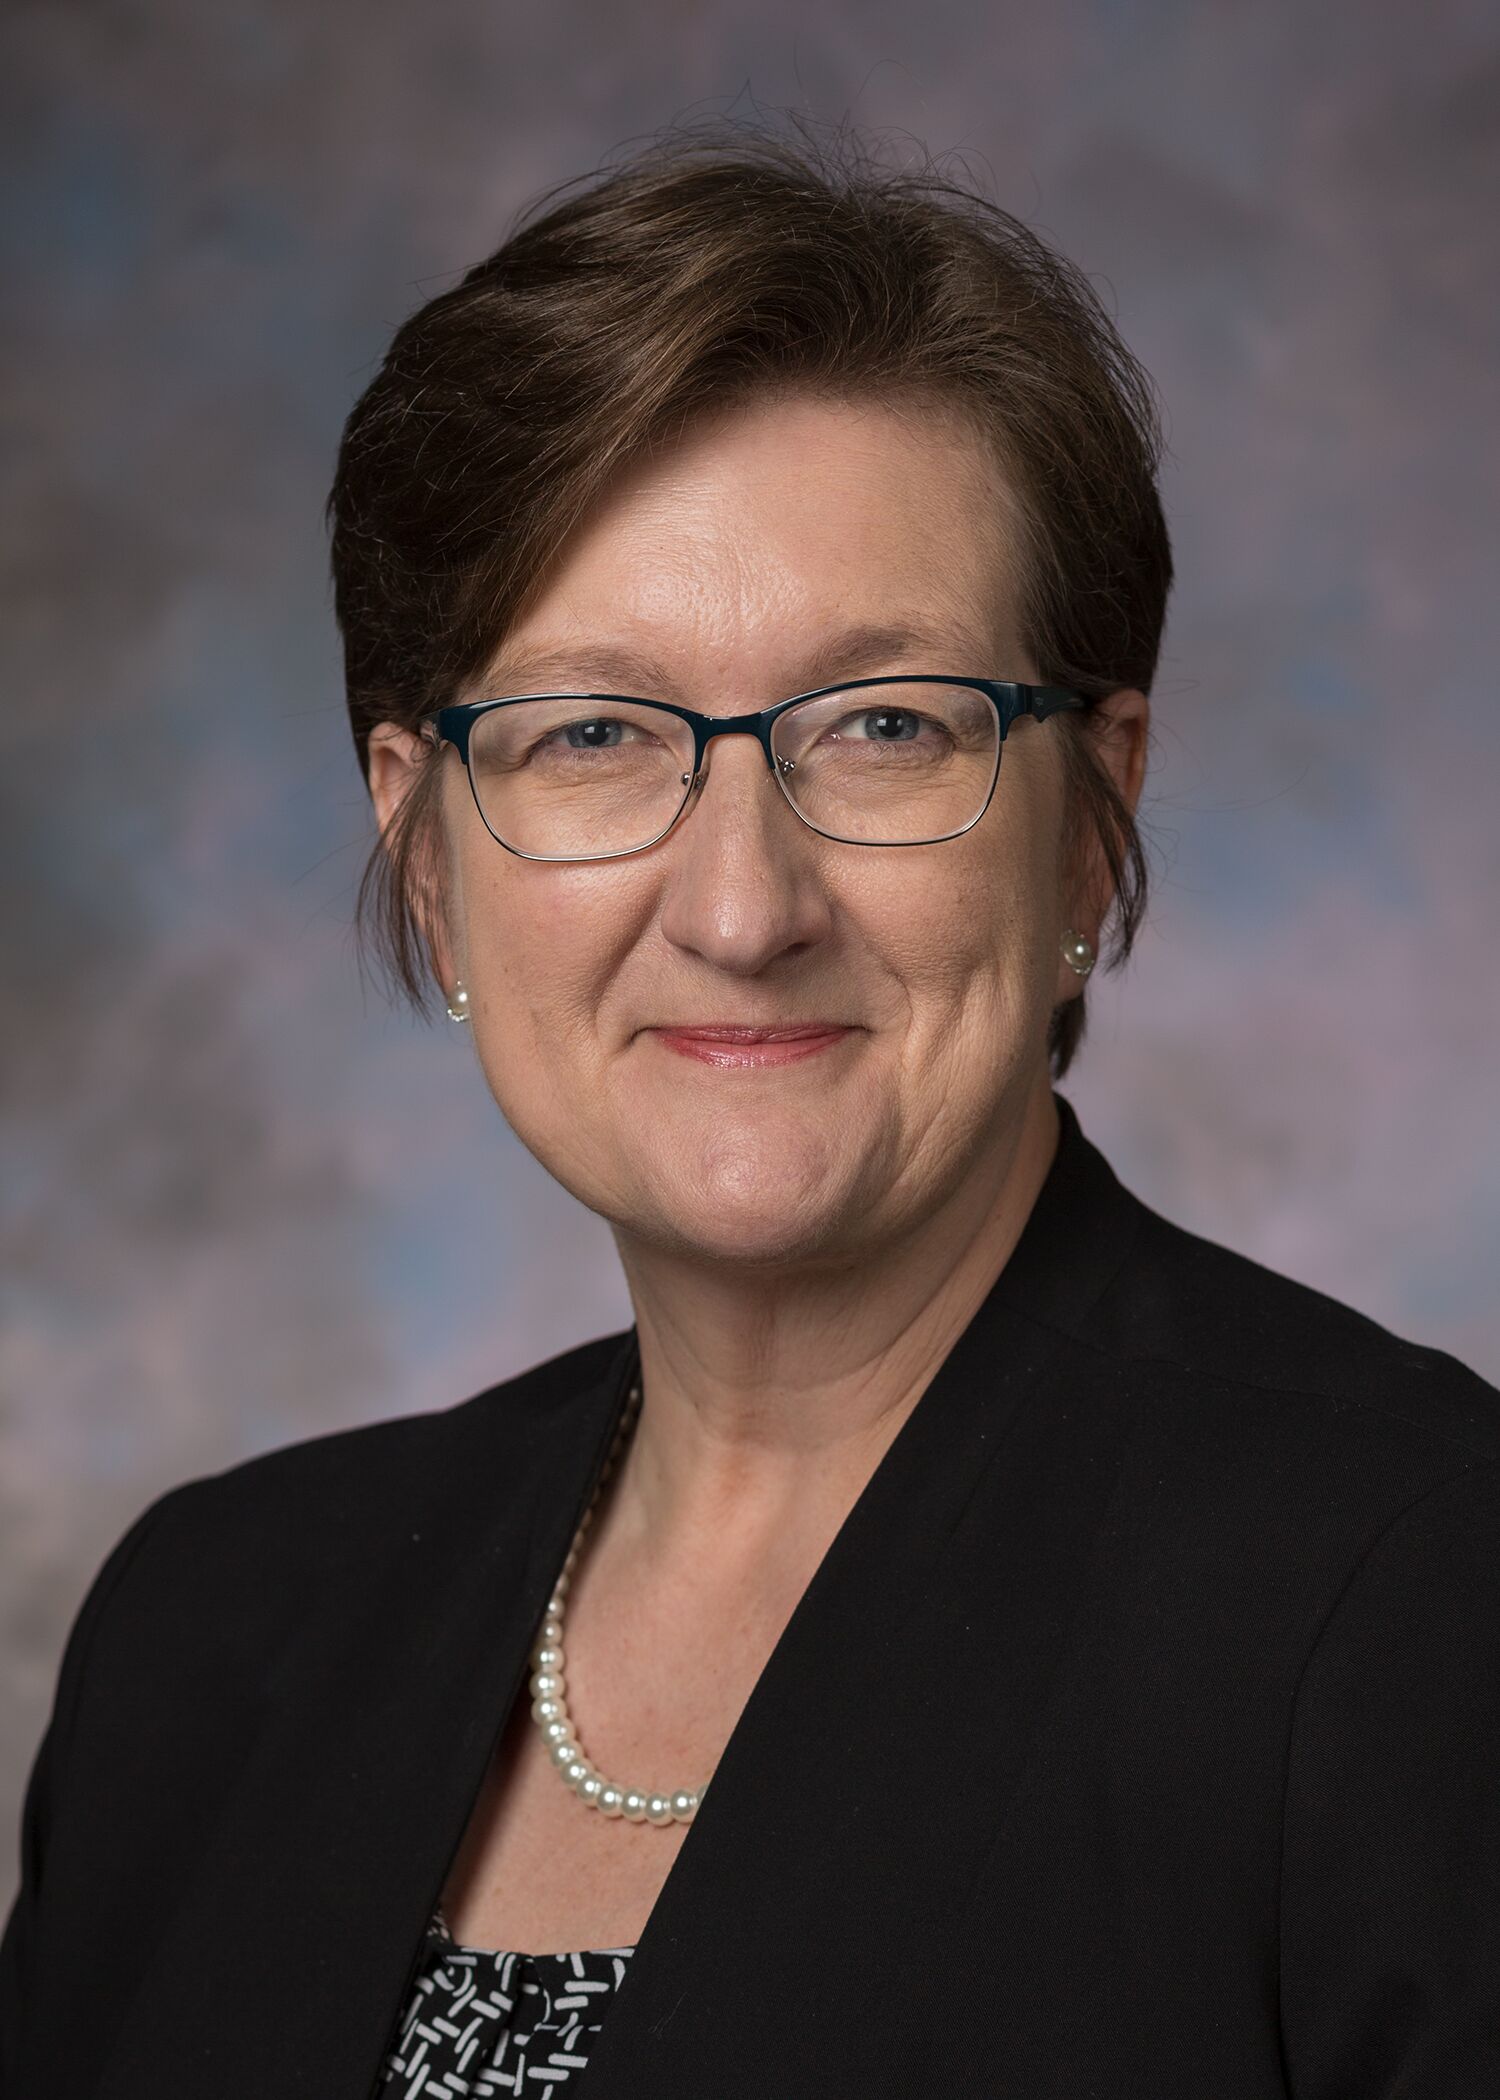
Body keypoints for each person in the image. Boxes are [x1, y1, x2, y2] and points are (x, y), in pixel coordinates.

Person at [3, 120, 1497, 2100]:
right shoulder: (211, 1638)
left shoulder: (1414, 1598)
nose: (739, 905)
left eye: (884, 725)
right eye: (595, 734)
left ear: (1091, 816)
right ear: (428, 850)